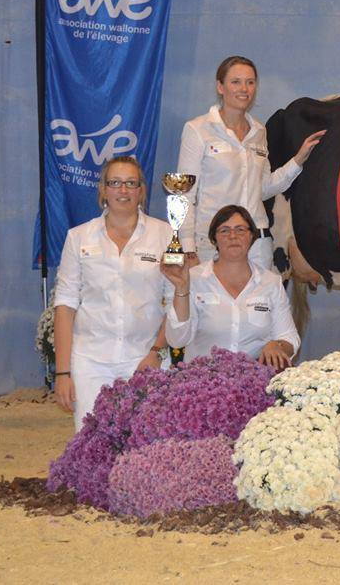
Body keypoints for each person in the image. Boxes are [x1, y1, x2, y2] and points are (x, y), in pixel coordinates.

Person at [52, 156, 172, 430]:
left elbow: (176, 301)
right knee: (90, 442)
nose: (123, 190)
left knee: (145, 442)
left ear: (141, 190)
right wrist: (62, 372)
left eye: (131, 183)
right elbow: (65, 306)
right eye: (115, 183)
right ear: (103, 190)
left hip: (146, 359)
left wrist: (156, 351)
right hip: (90, 362)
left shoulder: (164, 234)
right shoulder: (78, 237)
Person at [176, 55, 325, 269]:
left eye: (250, 82)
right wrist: (188, 248)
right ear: (220, 86)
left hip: (257, 243)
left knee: (262, 292)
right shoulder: (198, 129)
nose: (244, 89)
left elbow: (263, 189)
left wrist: (298, 160)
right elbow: (184, 194)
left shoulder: (259, 131)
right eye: (236, 82)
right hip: (212, 242)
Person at [161, 205, 300, 370]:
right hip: (203, 381)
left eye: (240, 230)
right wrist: (182, 288)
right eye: (224, 230)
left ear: (251, 236)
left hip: (254, 380)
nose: (233, 236)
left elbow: (289, 337)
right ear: (214, 239)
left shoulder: (271, 282)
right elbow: (177, 340)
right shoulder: (193, 279)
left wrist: (277, 345)